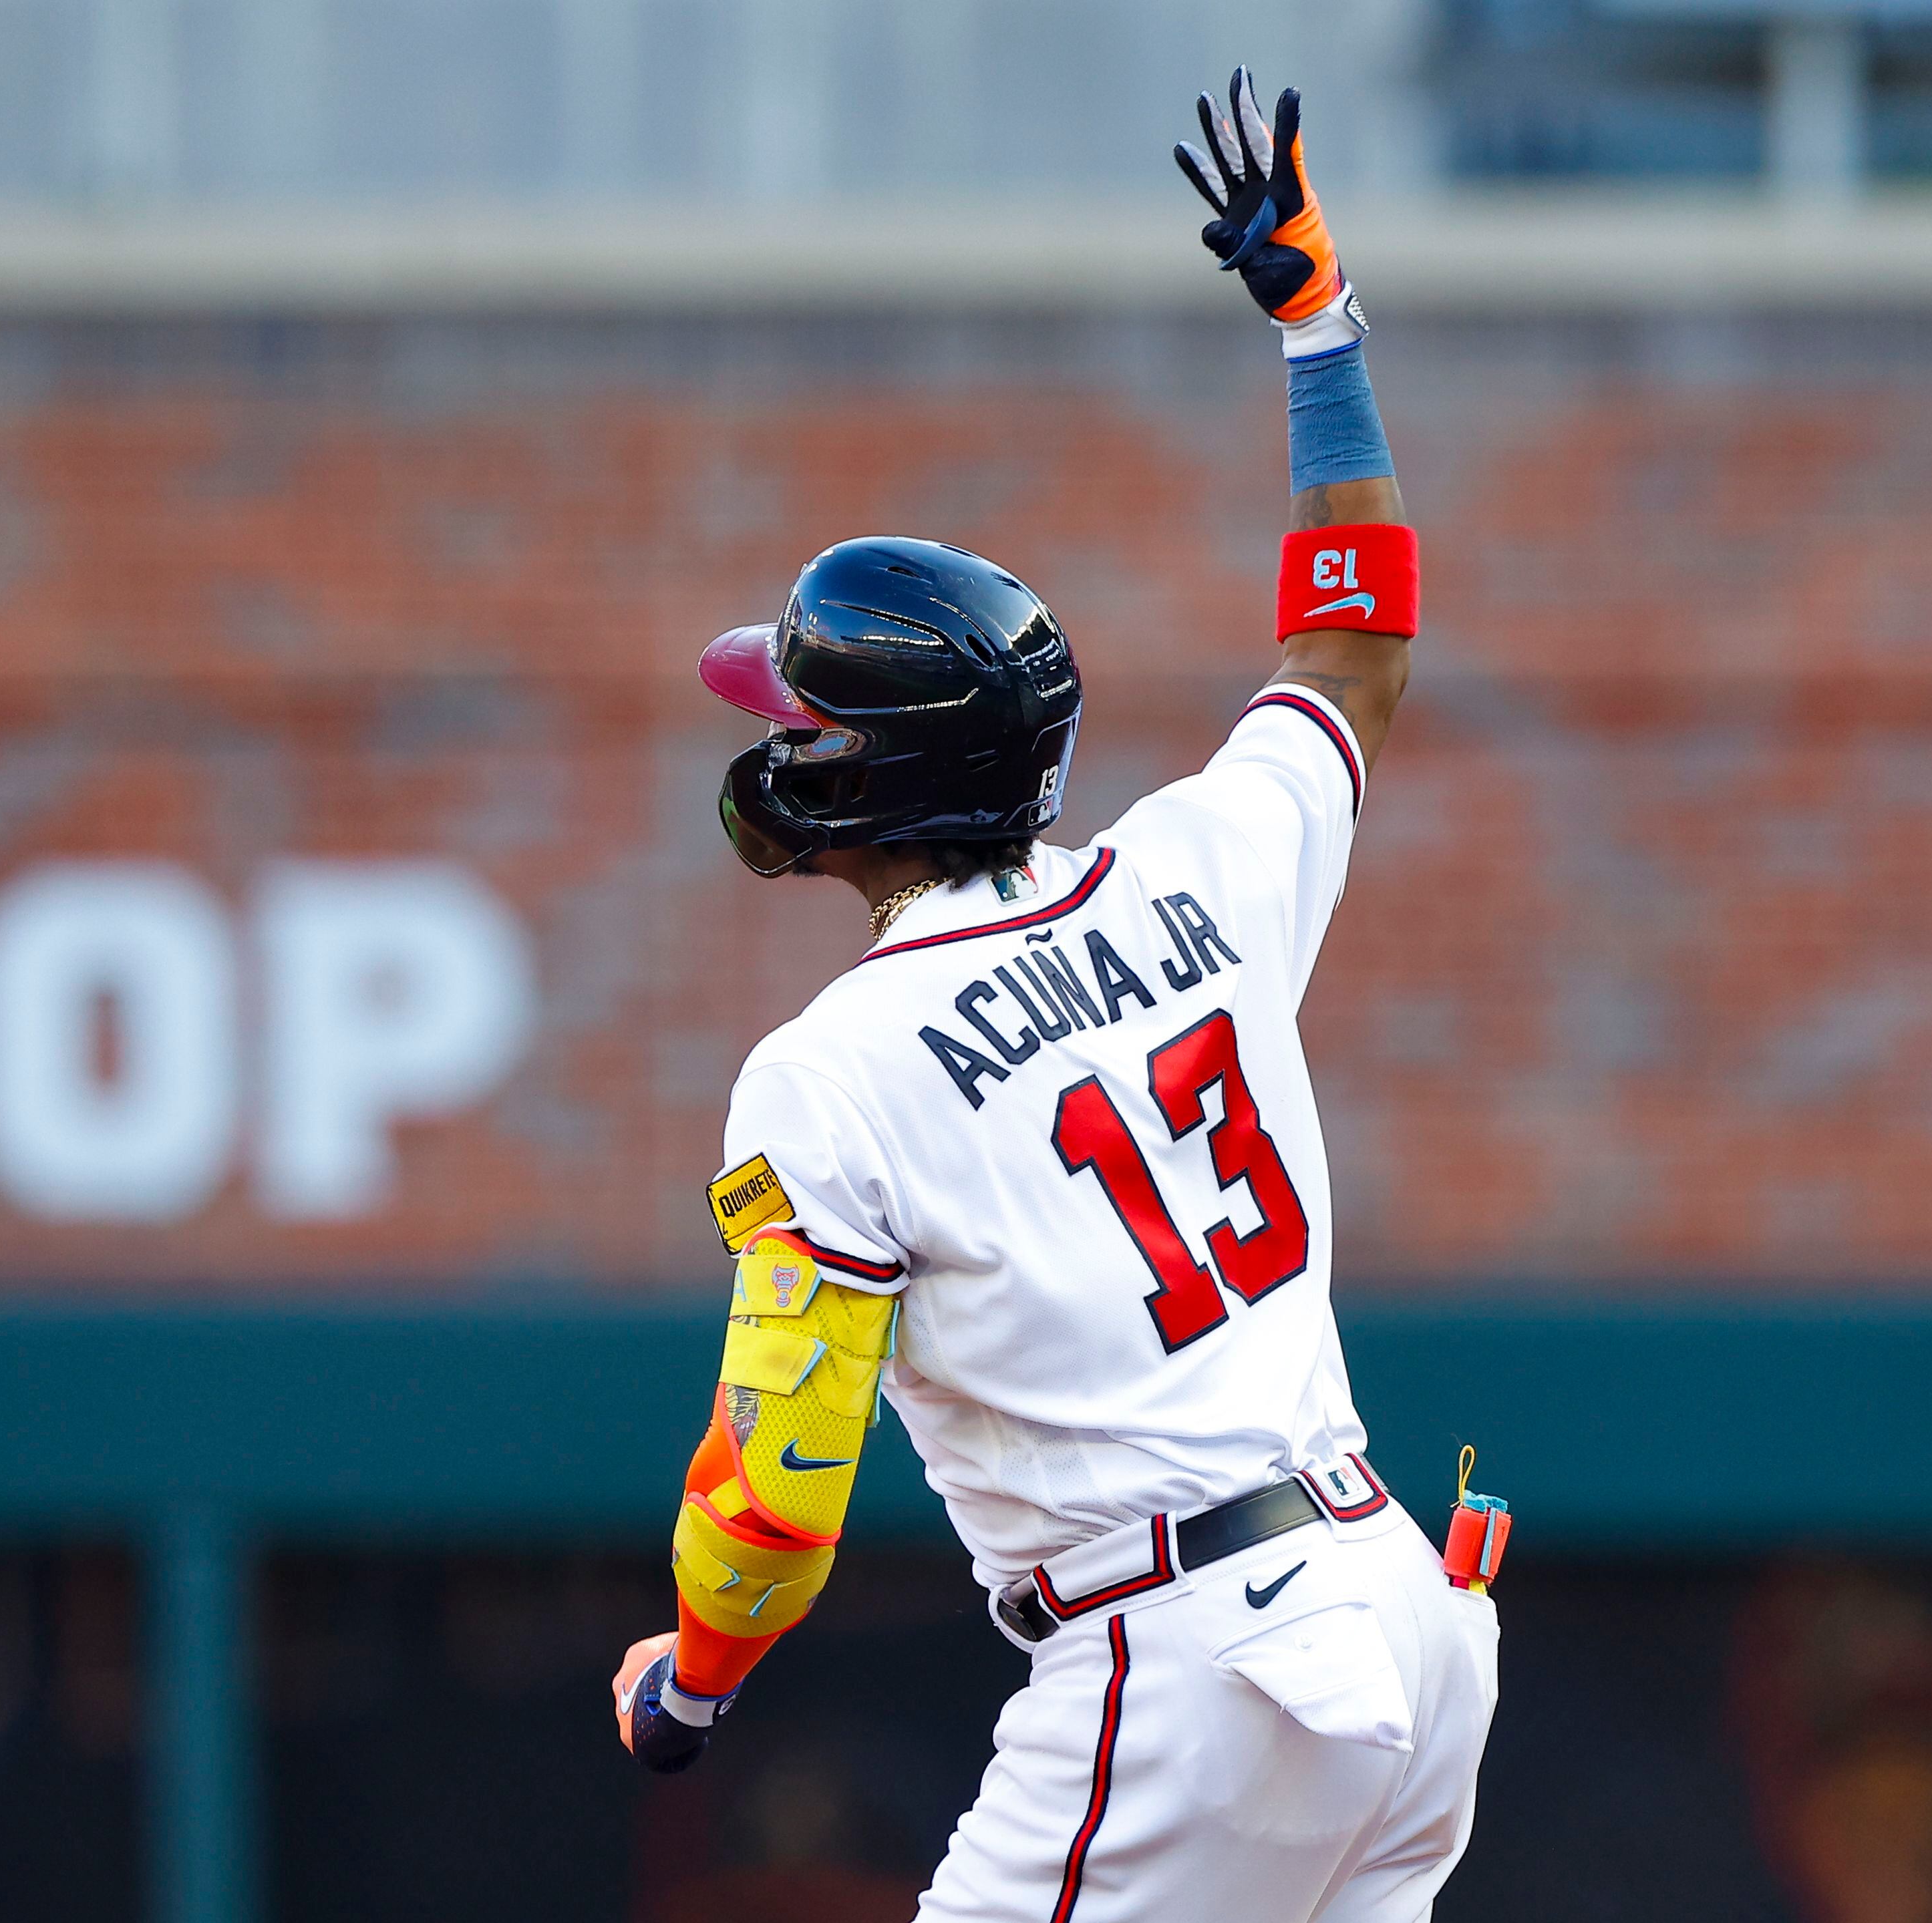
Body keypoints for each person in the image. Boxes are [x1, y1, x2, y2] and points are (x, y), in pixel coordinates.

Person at [608, 66, 1499, 1922]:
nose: (774, 736)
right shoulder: (1193, 865)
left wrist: (693, 1676)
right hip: (1400, 1620)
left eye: (800, 712)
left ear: (867, 775)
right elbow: (1359, 647)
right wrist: (1320, 333)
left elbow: (778, 1492)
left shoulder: (832, 1068)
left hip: (1197, 1662)